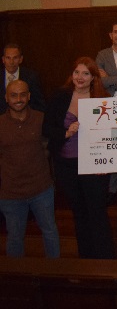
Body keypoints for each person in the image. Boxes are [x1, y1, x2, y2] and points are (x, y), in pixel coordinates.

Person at [44, 57, 114, 259]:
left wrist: (106, 163)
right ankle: (86, 259)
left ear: (93, 77)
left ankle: (105, 260)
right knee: (79, 213)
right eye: (77, 72)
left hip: (94, 166)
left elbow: (111, 135)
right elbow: (46, 128)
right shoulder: (60, 96)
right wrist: (65, 132)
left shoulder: (103, 99)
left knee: (97, 213)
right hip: (67, 166)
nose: (80, 77)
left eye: (85, 73)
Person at [0, 79, 60, 258]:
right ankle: (17, 274)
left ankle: (54, 271)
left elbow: (50, 148)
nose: (18, 99)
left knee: (50, 232)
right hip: (11, 194)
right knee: (15, 237)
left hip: (41, 190)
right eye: (13, 95)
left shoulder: (41, 119)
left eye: (22, 95)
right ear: (6, 98)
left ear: (29, 96)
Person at [1, 43, 45, 113]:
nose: (11, 62)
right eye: (8, 58)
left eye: (15, 58)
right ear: (3, 59)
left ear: (21, 59)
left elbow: (39, 104)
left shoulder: (31, 77)